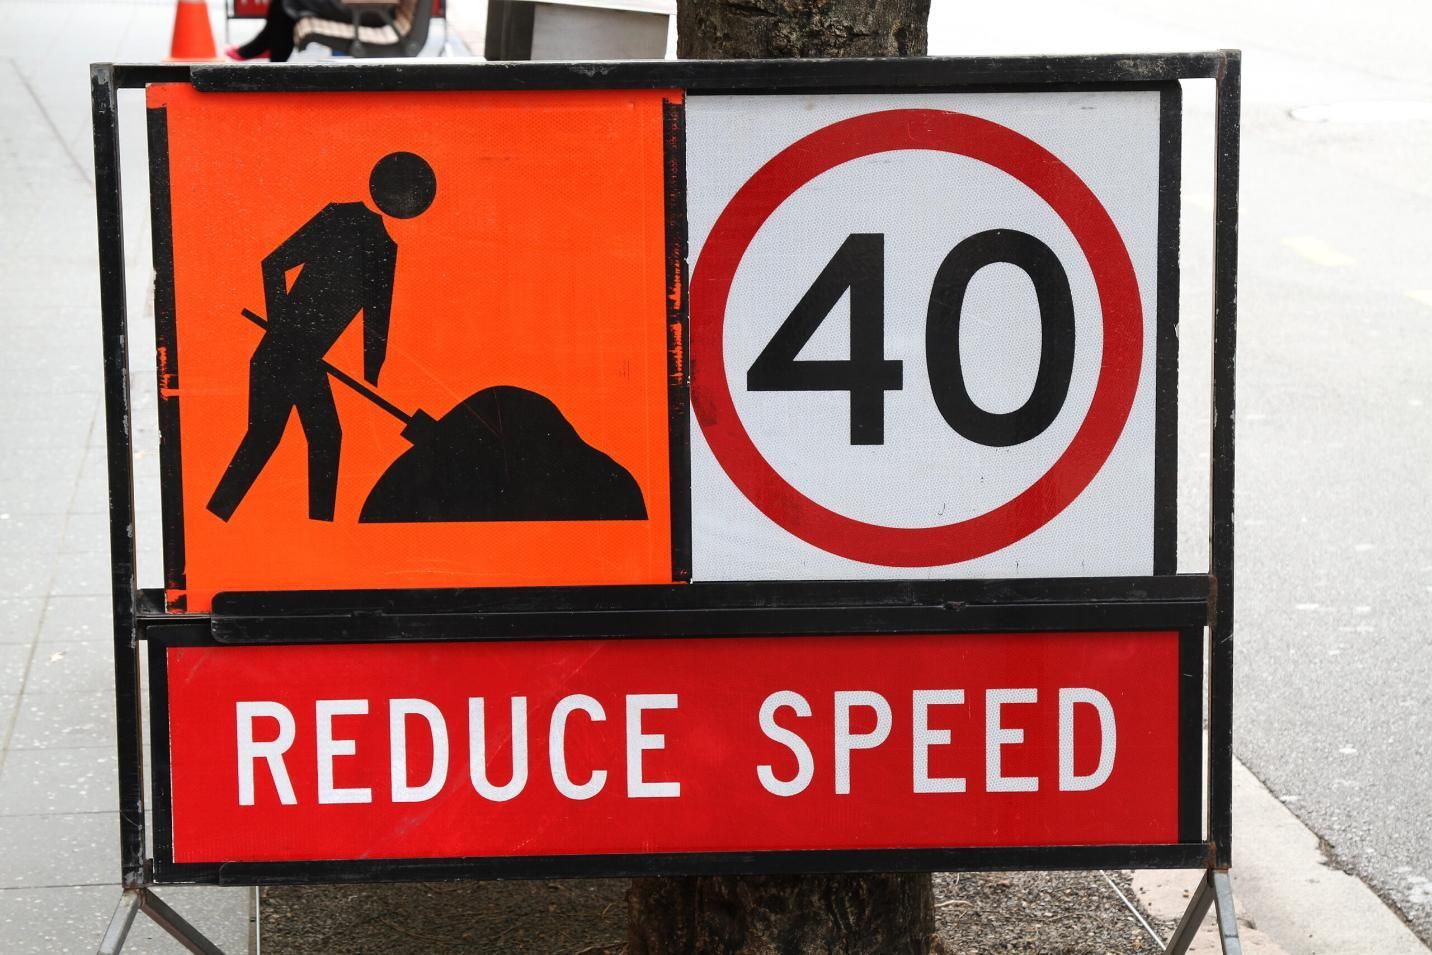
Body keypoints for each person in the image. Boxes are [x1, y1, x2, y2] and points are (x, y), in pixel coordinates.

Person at [206, 152, 438, 522]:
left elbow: (376, 326)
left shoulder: (383, 249)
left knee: (315, 439)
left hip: (302, 358)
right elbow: (273, 264)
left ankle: (310, 528)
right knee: (274, 438)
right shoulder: (339, 217)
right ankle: (224, 515)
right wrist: (283, 328)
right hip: (282, 354)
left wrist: (372, 375)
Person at [225, 0, 357, 62]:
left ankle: (265, 47)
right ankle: (266, 47)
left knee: (287, 4)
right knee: (284, 3)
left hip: (358, 9)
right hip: (350, 7)